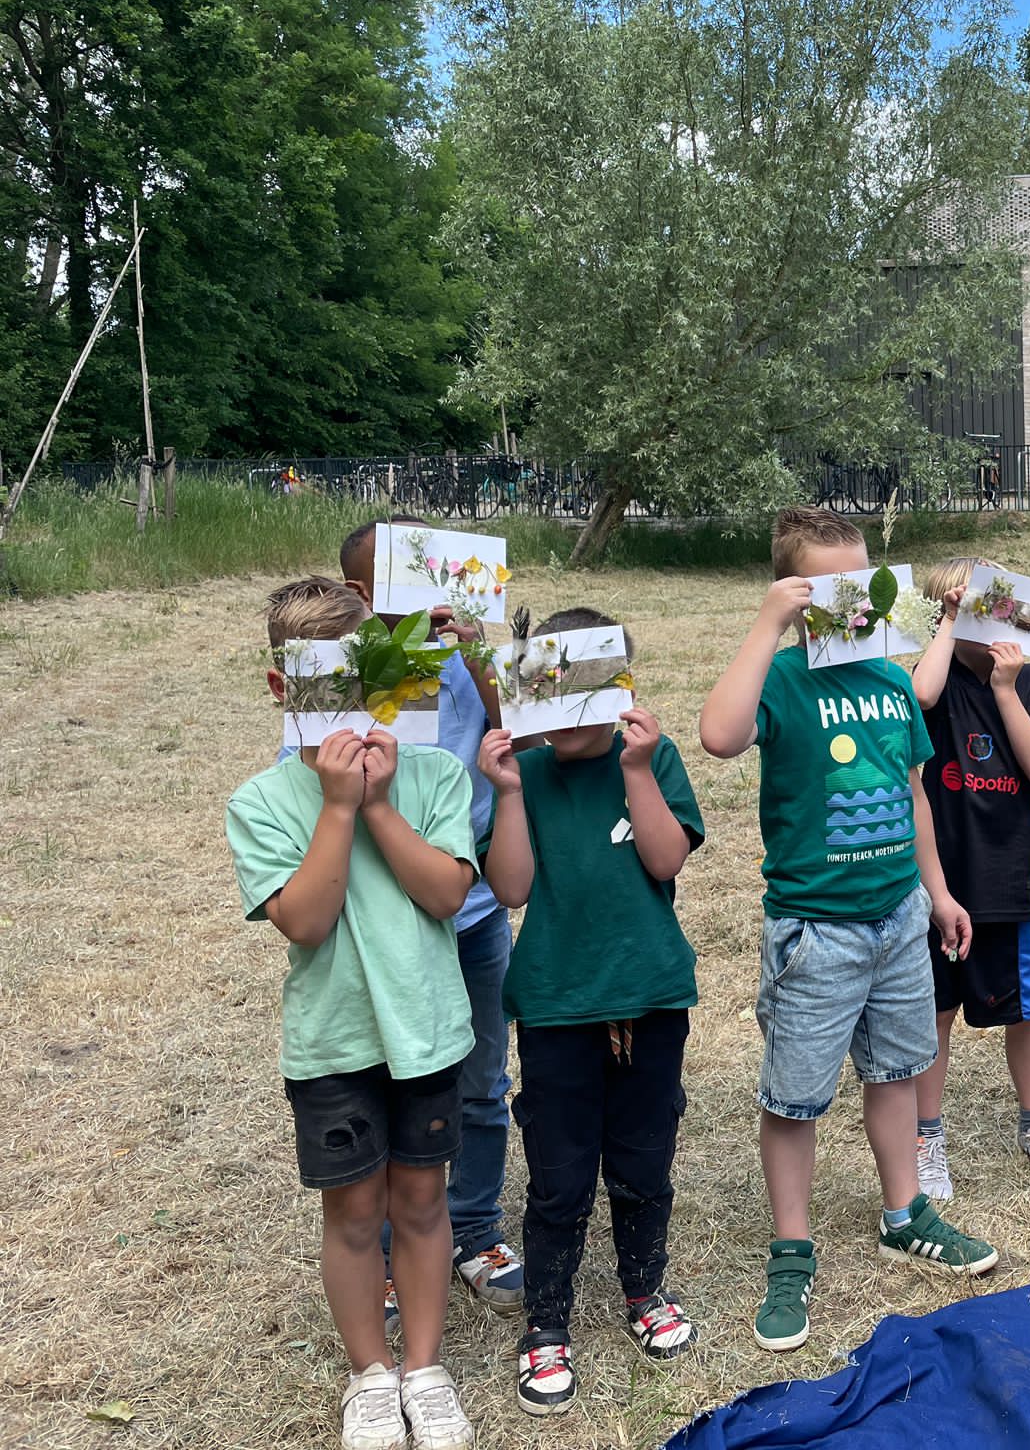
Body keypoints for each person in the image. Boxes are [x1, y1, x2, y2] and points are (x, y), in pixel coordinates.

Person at [699, 507, 997, 1355]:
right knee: (795, 1097)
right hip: (816, 930)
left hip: (898, 914)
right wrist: (767, 626)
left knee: (898, 1069)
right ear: (797, 594)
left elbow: (912, 794)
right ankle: (791, 1247)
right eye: (826, 587)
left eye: (861, 580)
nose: (852, 600)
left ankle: (905, 1212)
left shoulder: (894, 680)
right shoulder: (786, 681)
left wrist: (936, 892)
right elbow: (720, 735)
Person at [227, 578, 478, 1450]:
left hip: (427, 1031)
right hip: (334, 1041)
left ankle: (423, 1366)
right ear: (279, 688)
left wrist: (377, 803)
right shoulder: (259, 803)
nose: (349, 712)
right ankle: (369, 1374)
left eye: (365, 686)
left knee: (420, 1197)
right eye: (324, 687)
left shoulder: (436, 772)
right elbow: (304, 920)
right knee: (351, 1211)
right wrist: (338, 807)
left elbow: (448, 894)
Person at [281, 519, 522, 1325]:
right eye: (408, 582)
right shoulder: (333, 676)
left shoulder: (459, 653)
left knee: (482, 1082)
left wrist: (479, 650)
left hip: (471, 905)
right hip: (375, 926)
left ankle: (478, 1230)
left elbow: (514, 729)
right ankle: (383, 1254)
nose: (433, 597)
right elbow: (307, 776)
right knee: (383, 1085)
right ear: (360, 592)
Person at [478, 608, 705, 1413]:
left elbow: (666, 857)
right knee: (558, 1176)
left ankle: (645, 1292)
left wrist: (639, 770)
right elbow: (511, 889)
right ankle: (547, 1325)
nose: (569, 712)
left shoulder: (654, 758)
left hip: (651, 998)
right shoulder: (526, 777)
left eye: (590, 688)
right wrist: (506, 789)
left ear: (621, 690)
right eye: (548, 690)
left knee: (644, 1161)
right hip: (555, 1006)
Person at [909, 558, 1030, 1199]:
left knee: (1024, 1010)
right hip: (939, 881)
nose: (994, 624)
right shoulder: (934, 677)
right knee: (936, 1010)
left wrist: (1008, 690)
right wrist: (951, 625)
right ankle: (927, 1137)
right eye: (973, 610)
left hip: (1007, 878)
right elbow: (924, 697)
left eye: (999, 608)